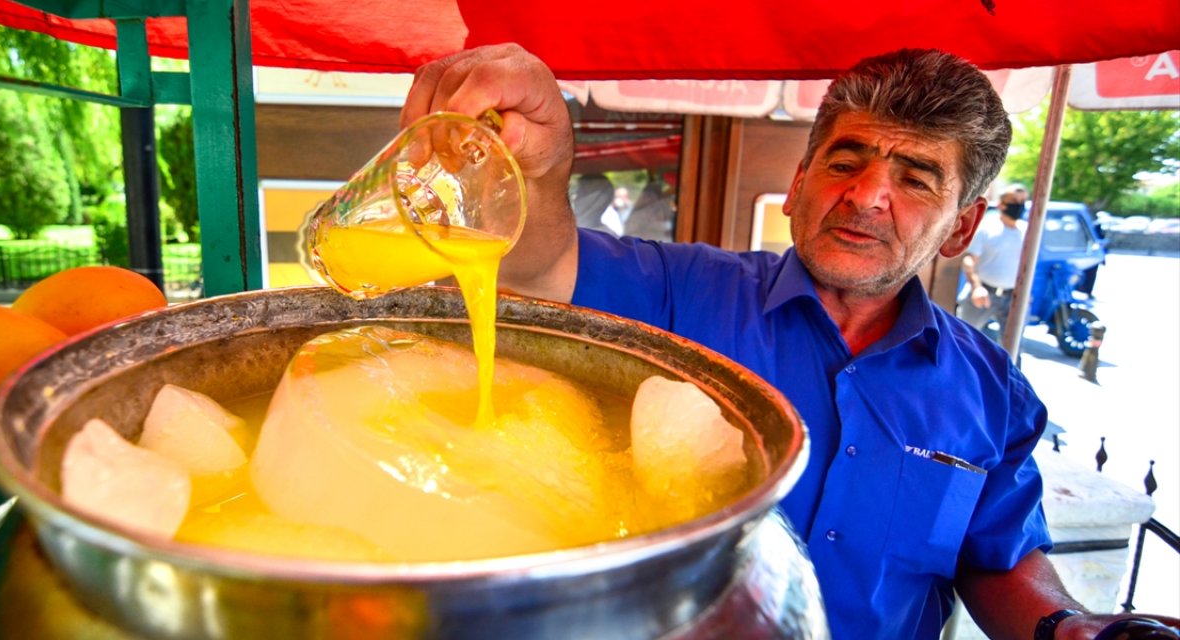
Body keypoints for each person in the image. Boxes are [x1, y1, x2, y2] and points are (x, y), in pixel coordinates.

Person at [399, 44, 1180, 639]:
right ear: (801, 182)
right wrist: (537, 176)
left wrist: (1065, 625)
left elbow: (997, 556)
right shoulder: (679, 291)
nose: (866, 195)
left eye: (915, 178)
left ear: (962, 227)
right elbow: (538, 266)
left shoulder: (991, 392)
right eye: (846, 159)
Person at [958, 184, 1030, 340]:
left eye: (1022, 201)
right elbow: (969, 260)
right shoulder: (986, 228)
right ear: (1001, 204)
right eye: (1014, 201)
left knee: (1012, 345)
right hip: (984, 294)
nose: (1019, 205)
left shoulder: (1028, 231)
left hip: (1013, 297)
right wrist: (977, 287)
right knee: (963, 339)